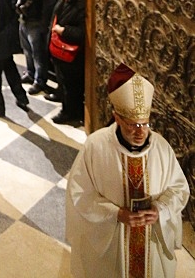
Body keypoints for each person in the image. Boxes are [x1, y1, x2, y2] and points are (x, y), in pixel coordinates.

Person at [66, 65, 189, 278]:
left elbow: (179, 189)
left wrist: (160, 210)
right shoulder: (96, 146)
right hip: (112, 242)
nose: (140, 132)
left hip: (151, 241)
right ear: (118, 117)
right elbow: (80, 195)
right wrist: (116, 214)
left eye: (145, 124)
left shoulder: (161, 147)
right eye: (132, 124)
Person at [50, 0, 86, 124]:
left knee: (72, 87)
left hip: (73, 54)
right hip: (59, 50)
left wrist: (63, 30)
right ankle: (69, 109)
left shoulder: (83, 5)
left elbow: (82, 33)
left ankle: (70, 113)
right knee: (64, 84)